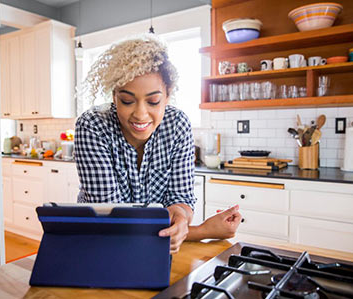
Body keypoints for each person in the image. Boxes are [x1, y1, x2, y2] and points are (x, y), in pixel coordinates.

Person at [75, 35, 241, 253]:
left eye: (153, 101)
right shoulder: (93, 125)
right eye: (127, 101)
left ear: (167, 96)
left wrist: (180, 215)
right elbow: (113, 219)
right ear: (114, 96)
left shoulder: (177, 124)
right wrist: (203, 231)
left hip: (155, 251)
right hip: (101, 246)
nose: (141, 114)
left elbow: (181, 198)